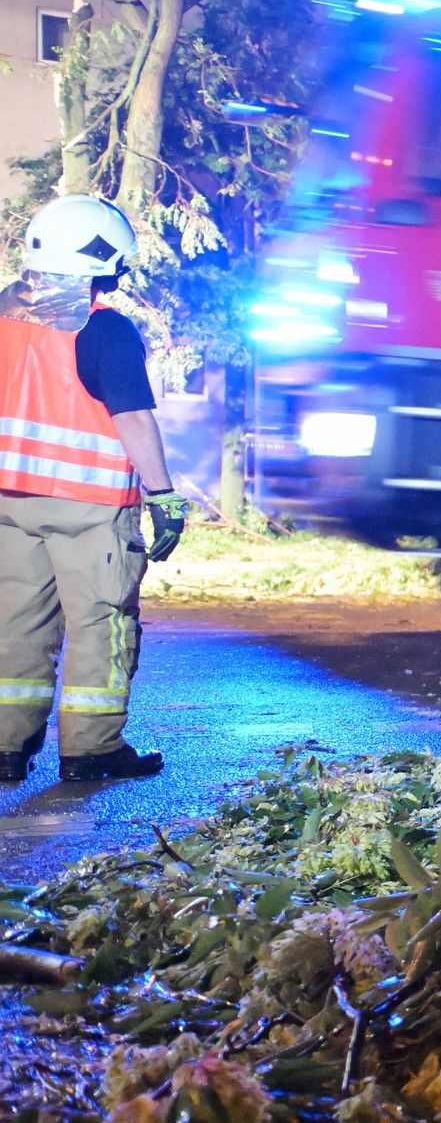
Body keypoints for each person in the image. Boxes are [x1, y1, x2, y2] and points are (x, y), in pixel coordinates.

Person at [0, 195, 188, 784]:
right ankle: (91, 749)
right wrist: (163, 497)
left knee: (15, 622)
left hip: (8, 501)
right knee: (99, 623)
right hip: (88, 507)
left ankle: (6, 748)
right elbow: (132, 417)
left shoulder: (2, 314)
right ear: (101, 262)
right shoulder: (104, 329)